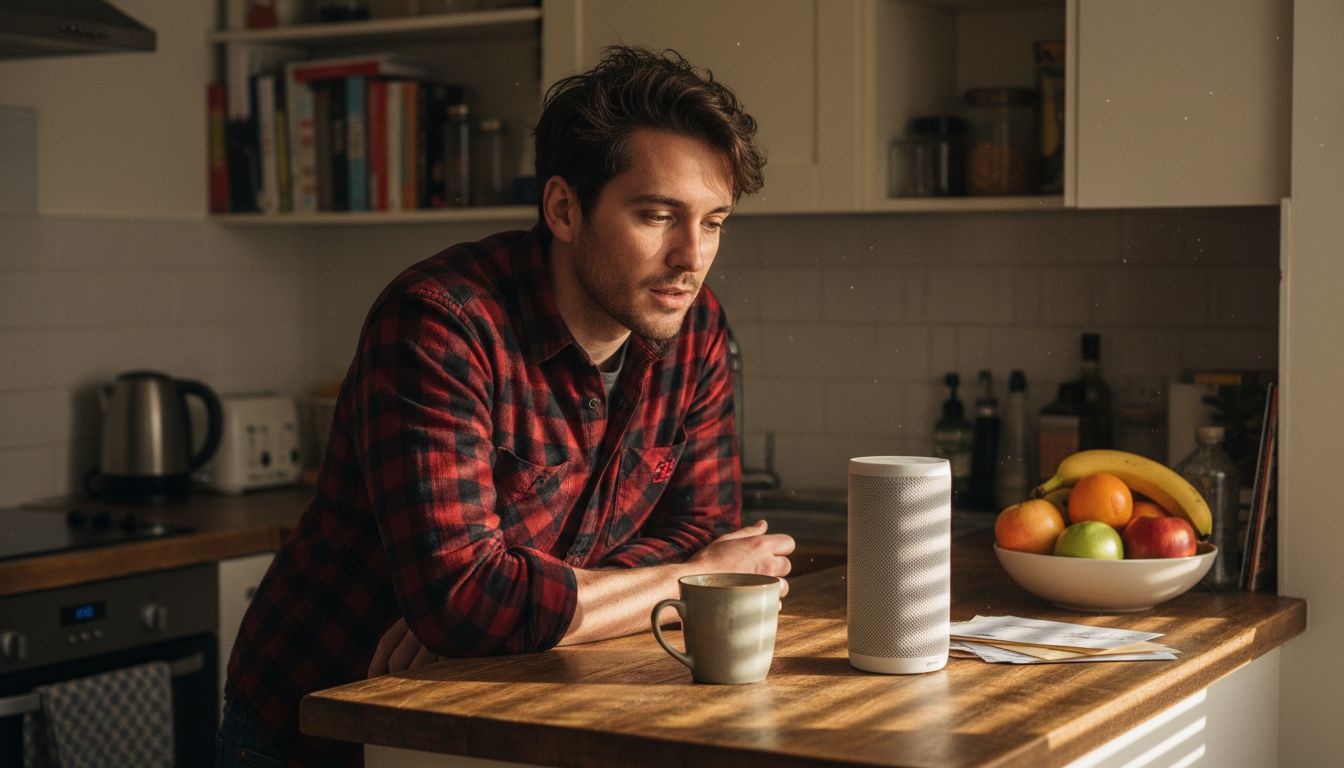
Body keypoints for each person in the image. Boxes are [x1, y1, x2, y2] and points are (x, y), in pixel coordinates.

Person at [216, 45, 793, 768]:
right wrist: (686, 579)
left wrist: (503, 609)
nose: (691, 257)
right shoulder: (440, 322)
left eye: (713, 222)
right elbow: (463, 601)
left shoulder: (694, 325)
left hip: (494, 695)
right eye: (657, 216)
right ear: (563, 208)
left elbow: (702, 524)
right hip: (323, 714)